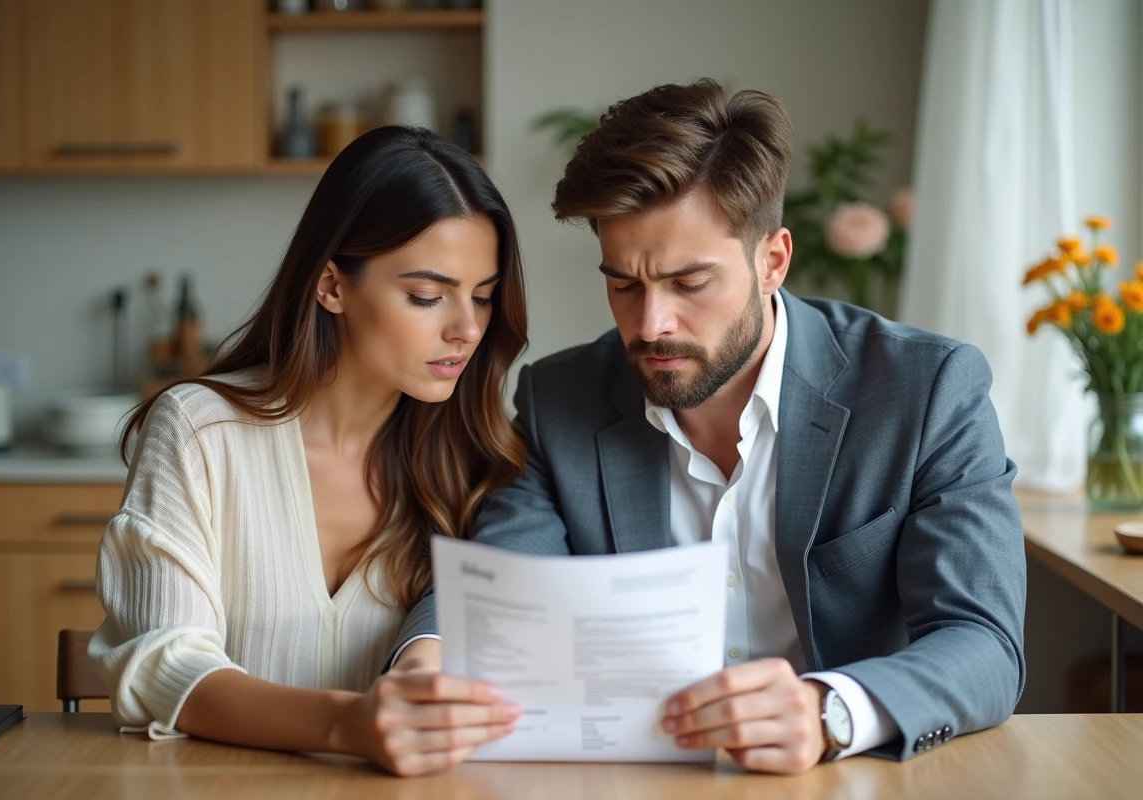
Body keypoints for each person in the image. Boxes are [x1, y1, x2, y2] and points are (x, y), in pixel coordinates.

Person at [391, 80, 1026, 774]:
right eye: (624, 284)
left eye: (689, 283)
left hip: (843, 778)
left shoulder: (926, 390)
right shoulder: (560, 399)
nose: (651, 323)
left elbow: (983, 641)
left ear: (772, 261)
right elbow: (498, 594)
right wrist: (425, 661)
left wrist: (829, 712)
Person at [90, 126, 528, 777]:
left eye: (484, 297)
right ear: (332, 287)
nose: (466, 328)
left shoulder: (476, 459)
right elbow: (163, 663)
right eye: (427, 296)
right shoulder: (201, 431)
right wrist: (345, 724)